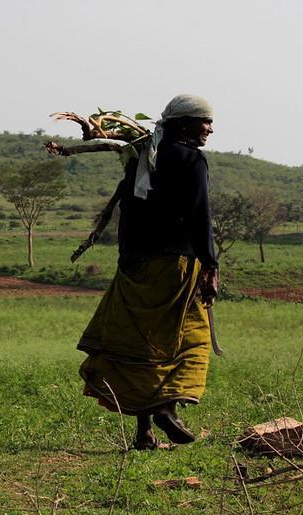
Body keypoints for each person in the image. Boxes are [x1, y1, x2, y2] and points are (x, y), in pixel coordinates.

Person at [77, 94, 220, 450]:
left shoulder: (144, 156)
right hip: (176, 266)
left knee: (140, 344)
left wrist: (126, 260)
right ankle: (165, 409)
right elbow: (200, 216)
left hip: (136, 265)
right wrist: (211, 265)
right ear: (184, 123)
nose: (210, 129)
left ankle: (144, 433)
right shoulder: (191, 160)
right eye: (204, 122)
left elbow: (129, 209)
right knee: (182, 340)